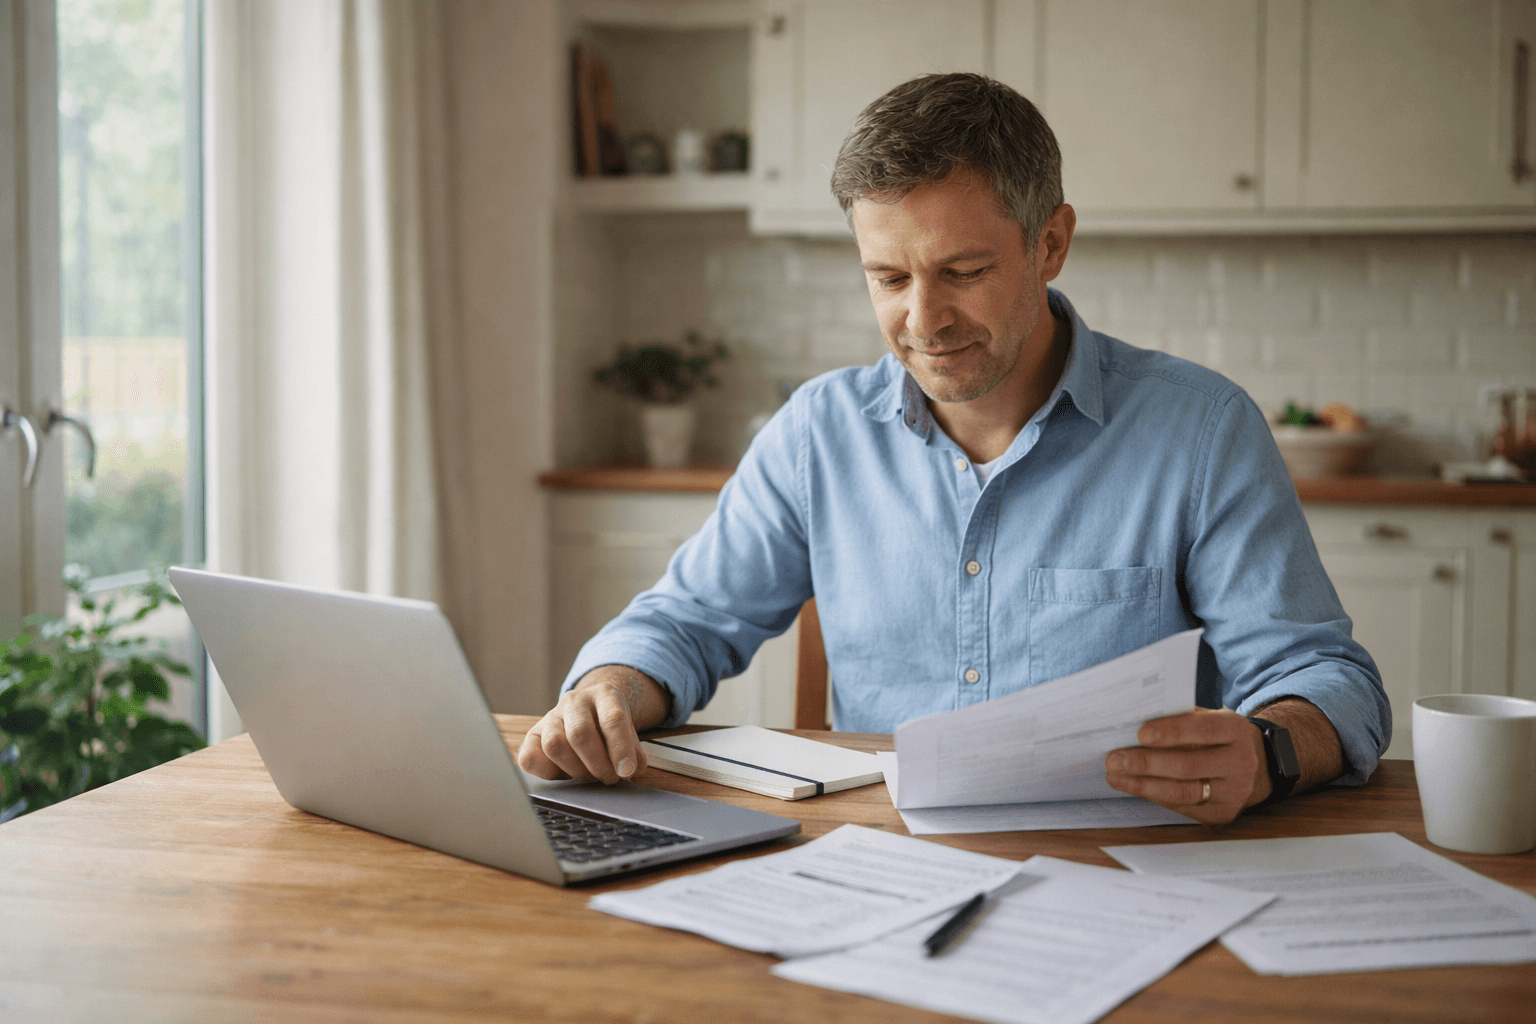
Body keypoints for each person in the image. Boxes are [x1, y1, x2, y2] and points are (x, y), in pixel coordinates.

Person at [518, 73, 1390, 824]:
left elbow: (1325, 676)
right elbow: (682, 623)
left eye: (964, 273)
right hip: (879, 858)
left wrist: (1269, 750)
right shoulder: (818, 433)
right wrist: (609, 690)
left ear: (1050, 243)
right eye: (889, 278)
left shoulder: (1199, 431)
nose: (923, 321)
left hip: (1125, 858)